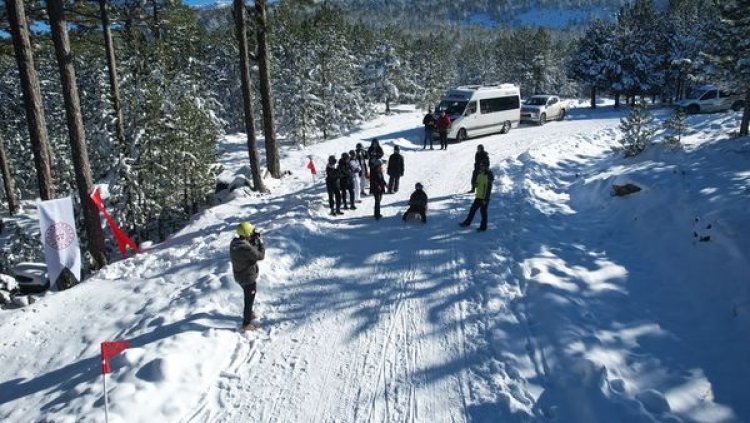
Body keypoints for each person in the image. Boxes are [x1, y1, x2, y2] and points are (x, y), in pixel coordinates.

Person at [230, 222, 266, 332]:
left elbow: (247, 247)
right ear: (247, 234)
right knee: (249, 301)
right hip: (248, 278)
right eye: (250, 232)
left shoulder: (234, 243)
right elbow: (260, 255)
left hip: (239, 276)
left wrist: (251, 239)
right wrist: (260, 242)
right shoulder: (246, 249)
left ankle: (249, 313)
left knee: (248, 297)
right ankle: (246, 324)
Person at [459, 162, 494, 231]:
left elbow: (488, 189)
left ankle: (483, 227)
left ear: (486, 167)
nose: (481, 167)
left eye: (483, 166)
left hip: (484, 198)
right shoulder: (480, 174)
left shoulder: (489, 175)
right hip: (478, 196)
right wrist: (475, 184)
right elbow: (478, 184)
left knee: (483, 212)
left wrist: (485, 199)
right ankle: (467, 223)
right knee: (472, 210)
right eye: (481, 166)